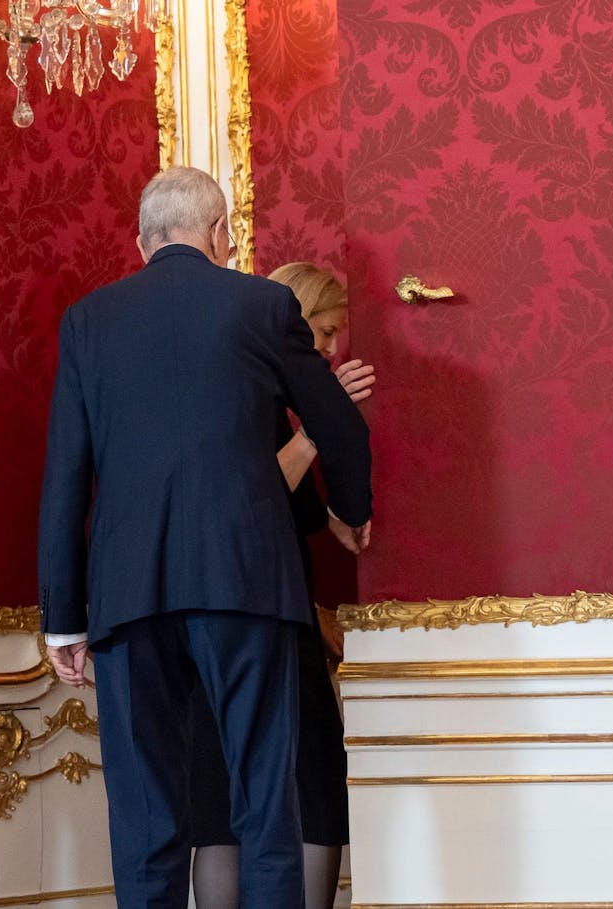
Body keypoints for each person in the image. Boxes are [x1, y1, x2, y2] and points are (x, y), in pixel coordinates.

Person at [37, 167, 373, 909]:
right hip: (247, 585)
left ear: (142, 241)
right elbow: (338, 421)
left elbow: (65, 476)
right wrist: (353, 508)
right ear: (222, 232)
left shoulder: (90, 321)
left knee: (147, 815)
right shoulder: (263, 304)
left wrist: (63, 616)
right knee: (265, 805)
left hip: (127, 595)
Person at [187, 263, 373, 909]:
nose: (327, 350)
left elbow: (276, 499)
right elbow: (253, 493)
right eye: (321, 333)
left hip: (211, 610)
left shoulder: (227, 380)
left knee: (224, 791)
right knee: (314, 780)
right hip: (264, 608)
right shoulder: (262, 389)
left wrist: (332, 520)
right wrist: (324, 420)